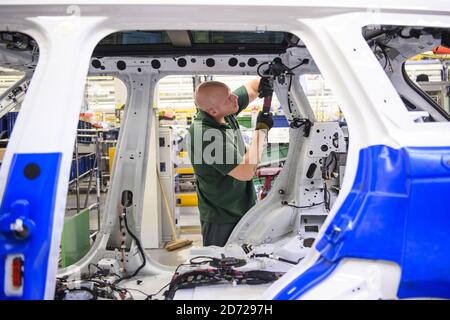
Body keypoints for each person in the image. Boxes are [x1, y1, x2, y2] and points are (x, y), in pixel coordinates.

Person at [187, 77, 274, 246]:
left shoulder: (225, 111)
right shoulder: (204, 134)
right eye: (229, 98)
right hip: (222, 215)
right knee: (221, 264)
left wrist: (266, 79)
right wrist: (261, 130)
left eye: (231, 93)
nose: (235, 98)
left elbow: (252, 87)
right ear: (213, 111)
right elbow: (245, 172)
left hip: (241, 207)